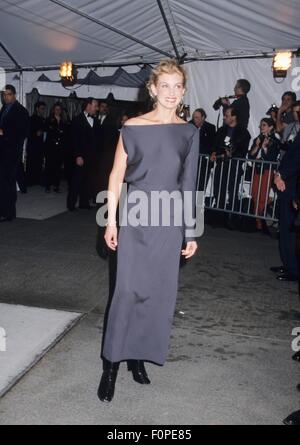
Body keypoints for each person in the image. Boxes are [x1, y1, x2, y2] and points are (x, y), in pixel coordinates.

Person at [98, 59, 199, 403]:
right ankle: (110, 365)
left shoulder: (189, 132)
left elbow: (189, 184)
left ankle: (137, 358)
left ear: (183, 91)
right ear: (152, 89)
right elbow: (115, 176)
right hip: (137, 217)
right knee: (126, 292)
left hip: (169, 223)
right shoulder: (133, 127)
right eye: (165, 86)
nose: (171, 93)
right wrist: (110, 221)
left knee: (156, 295)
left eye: (177, 86)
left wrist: (191, 231)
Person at [210, 107, 251, 227]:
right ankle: (219, 218)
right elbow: (215, 144)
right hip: (221, 164)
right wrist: (213, 152)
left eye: (227, 115)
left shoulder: (243, 132)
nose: (224, 117)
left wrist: (232, 154)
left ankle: (232, 220)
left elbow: (243, 150)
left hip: (234, 166)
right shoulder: (222, 130)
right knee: (219, 190)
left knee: (232, 192)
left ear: (234, 117)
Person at [0, 85, 30, 222]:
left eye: (9, 94)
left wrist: (4, 133)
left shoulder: (20, 111)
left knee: (9, 182)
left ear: (14, 95)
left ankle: (9, 213)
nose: (6, 97)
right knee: (3, 182)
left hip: (12, 152)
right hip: (3, 151)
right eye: (4, 94)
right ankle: (4, 210)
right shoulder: (4, 109)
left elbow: (23, 132)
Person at [273, 132, 300, 281]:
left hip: (292, 187)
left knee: (290, 229)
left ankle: (294, 268)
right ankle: (288, 263)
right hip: (287, 185)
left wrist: (281, 175)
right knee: (284, 227)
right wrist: (279, 174)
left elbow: (296, 161)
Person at [67, 98, 100, 210]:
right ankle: (71, 204)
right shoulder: (77, 120)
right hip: (80, 156)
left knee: (87, 180)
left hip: (92, 157)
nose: (97, 108)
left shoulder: (96, 121)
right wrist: (78, 155)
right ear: (88, 106)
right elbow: (74, 140)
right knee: (77, 180)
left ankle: (84, 203)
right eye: (95, 105)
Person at [248, 118, 280, 232]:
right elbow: (250, 155)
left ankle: (262, 221)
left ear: (271, 127)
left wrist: (265, 148)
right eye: (261, 125)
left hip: (267, 170)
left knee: (263, 196)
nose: (261, 127)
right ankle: (258, 223)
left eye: (264, 125)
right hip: (257, 169)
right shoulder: (258, 138)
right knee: (255, 194)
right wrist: (257, 146)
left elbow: (271, 158)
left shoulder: (275, 141)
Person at [44, 103, 68, 193]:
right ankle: (47, 185)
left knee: (58, 167)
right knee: (49, 166)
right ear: (53, 110)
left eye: (59, 109)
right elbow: (47, 132)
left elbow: (65, 135)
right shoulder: (48, 120)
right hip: (50, 147)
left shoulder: (64, 121)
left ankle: (56, 185)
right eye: (56, 109)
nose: (58, 111)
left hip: (60, 147)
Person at [190, 108, 215, 192]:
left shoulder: (210, 128)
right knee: (189, 185)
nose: (194, 119)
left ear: (203, 117)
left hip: (204, 163)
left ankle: (199, 204)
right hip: (190, 163)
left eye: (197, 117)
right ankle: (188, 204)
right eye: (194, 117)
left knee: (201, 186)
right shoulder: (189, 126)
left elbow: (211, 144)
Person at [26, 101, 46, 186]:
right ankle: (30, 181)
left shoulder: (43, 119)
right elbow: (27, 132)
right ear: (37, 109)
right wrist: (35, 133)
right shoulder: (31, 119)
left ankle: (37, 180)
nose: (43, 110)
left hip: (40, 145)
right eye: (41, 108)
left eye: (44, 109)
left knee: (39, 163)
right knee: (31, 163)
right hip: (33, 145)